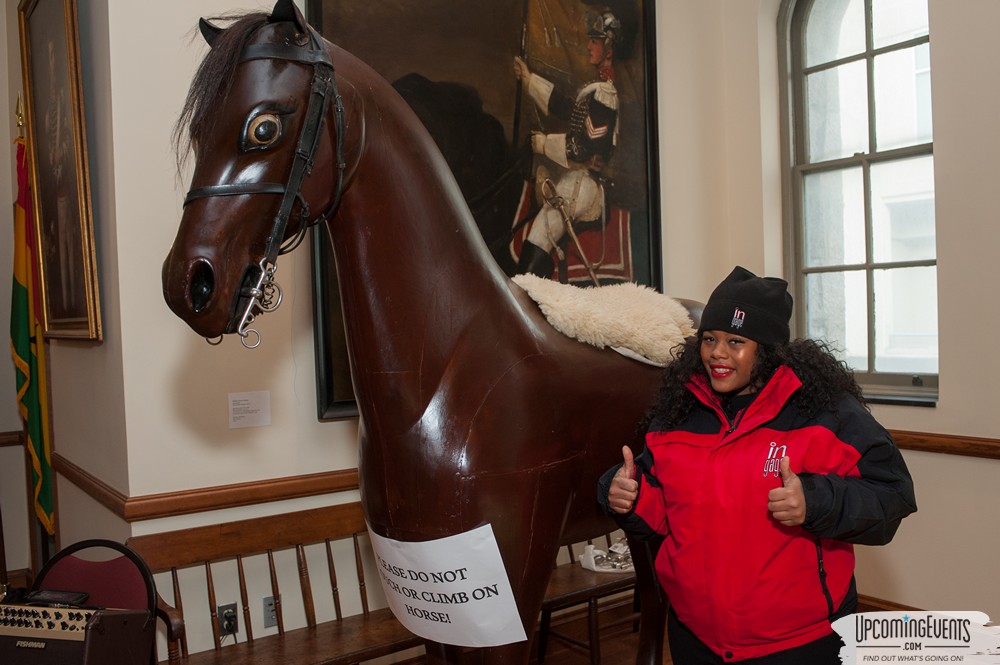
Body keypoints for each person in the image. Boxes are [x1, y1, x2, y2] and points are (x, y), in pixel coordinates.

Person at [598, 266, 917, 664]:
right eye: (710, 338)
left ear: (766, 350)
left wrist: (815, 501)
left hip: (800, 645)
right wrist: (627, 494)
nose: (717, 352)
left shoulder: (825, 414)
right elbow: (665, 515)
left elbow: (892, 495)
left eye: (736, 341)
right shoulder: (677, 413)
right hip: (695, 639)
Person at [512, 11, 621, 278]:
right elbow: (565, 107)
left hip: (585, 184)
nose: (588, 46)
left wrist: (542, 144)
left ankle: (523, 302)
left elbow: (583, 147)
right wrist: (529, 80)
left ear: (608, 48)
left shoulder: (606, 96)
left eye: (595, 41)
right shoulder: (596, 89)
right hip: (576, 177)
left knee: (539, 234)